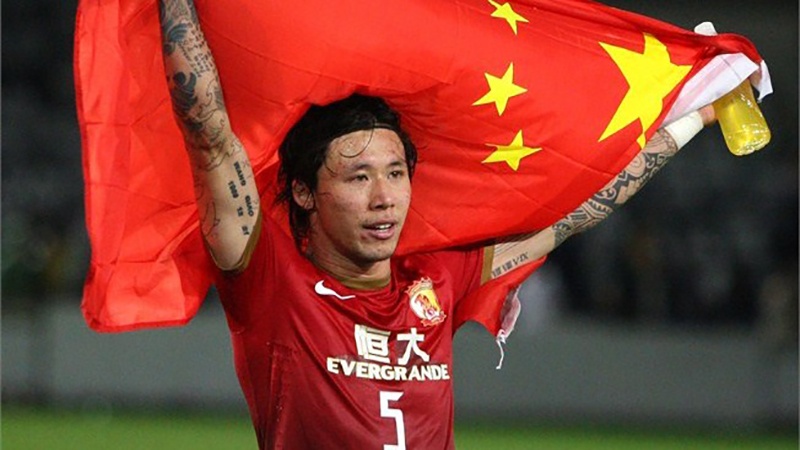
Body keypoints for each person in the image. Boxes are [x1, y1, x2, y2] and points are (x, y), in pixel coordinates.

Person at [158, 0, 716, 448]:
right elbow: (209, 134)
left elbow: (575, 210)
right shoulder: (271, 283)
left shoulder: (440, 278)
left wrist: (695, 115)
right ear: (303, 191)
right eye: (358, 178)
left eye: (396, 174)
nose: (384, 199)